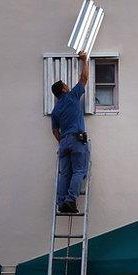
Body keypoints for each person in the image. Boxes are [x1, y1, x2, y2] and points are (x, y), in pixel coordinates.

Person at [50, 51, 90, 215]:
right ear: (64, 89)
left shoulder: (55, 109)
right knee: (79, 171)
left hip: (64, 141)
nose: (68, 85)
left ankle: (61, 202)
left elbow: (54, 131)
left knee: (65, 173)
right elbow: (84, 79)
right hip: (76, 139)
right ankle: (70, 201)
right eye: (66, 85)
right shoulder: (72, 96)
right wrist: (84, 61)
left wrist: (62, 141)